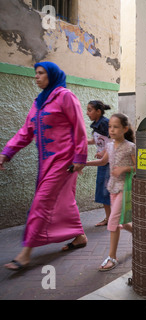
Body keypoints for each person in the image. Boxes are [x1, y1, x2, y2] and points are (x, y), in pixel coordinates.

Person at [0, 61, 88, 271]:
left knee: (41, 201)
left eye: (41, 73)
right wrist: (6, 152)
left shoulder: (65, 96)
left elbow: (79, 128)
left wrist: (79, 158)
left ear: (52, 75)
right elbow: (25, 132)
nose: (36, 77)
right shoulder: (39, 102)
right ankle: (80, 236)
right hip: (46, 162)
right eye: (35, 73)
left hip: (65, 161)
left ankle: (25, 253)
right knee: (64, 200)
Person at [85, 113, 136, 271]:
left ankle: (112, 257)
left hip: (125, 189)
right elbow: (102, 161)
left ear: (125, 129)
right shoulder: (109, 145)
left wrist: (124, 168)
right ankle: (141, 234)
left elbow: (140, 167)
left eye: (116, 127)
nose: (112, 130)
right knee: (121, 222)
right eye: (110, 127)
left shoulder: (130, 147)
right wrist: (83, 163)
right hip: (112, 188)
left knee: (113, 221)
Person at [86, 100, 112, 227]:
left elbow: (113, 140)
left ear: (98, 111)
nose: (87, 113)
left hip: (109, 162)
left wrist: (104, 152)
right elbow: (95, 141)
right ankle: (109, 218)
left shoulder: (105, 123)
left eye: (90, 110)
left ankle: (111, 218)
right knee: (103, 190)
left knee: (107, 190)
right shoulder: (96, 124)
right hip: (102, 163)